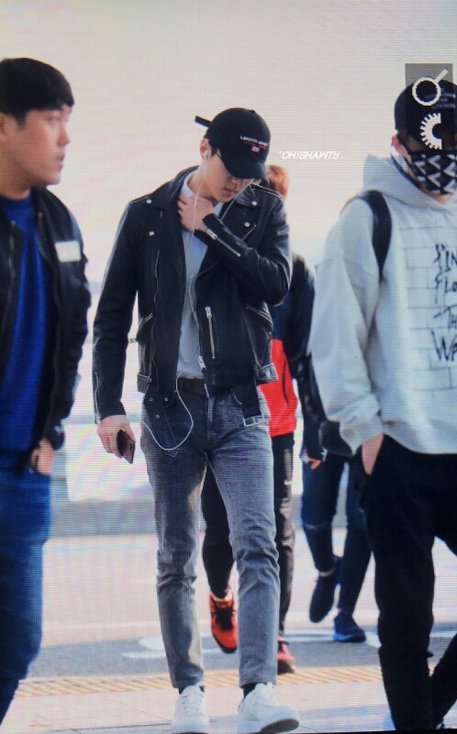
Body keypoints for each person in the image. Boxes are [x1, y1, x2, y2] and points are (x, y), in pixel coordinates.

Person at [93, 109, 299, 734]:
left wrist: (211, 228)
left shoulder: (262, 210)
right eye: (231, 168)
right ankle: (189, 694)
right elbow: (111, 317)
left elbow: (276, 283)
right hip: (168, 407)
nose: (240, 182)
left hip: (240, 403)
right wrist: (107, 405)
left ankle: (259, 691)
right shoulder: (146, 214)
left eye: (250, 173)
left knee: (258, 544)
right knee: (176, 556)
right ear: (204, 148)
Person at [309, 74, 457, 730]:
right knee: (405, 621)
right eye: (429, 141)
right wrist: (365, 431)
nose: (446, 152)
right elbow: (335, 336)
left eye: (456, 137)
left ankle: (428, 711)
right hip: (401, 450)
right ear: (399, 142)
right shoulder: (366, 218)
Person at [0, 57, 90, 724]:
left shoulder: (59, 224)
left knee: (17, 641)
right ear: (4, 126)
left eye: (67, 120)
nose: (64, 138)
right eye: (52, 120)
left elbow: (72, 334)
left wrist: (53, 432)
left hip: (25, 474)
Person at [201, 164, 314, 675]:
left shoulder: (296, 271)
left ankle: (275, 633)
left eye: (274, 199)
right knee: (220, 530)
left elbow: (306, 354)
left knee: (277, 532)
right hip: (221, 415)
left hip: (279, 424)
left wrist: (319, 427)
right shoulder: (216, 254)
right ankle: (220, 596)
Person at [301, 429, 370, 642]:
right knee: (313, 518)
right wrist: (311, 432)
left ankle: (345, 613)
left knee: (361, 520)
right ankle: (328, 570)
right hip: (323, 427)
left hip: (366, 428)